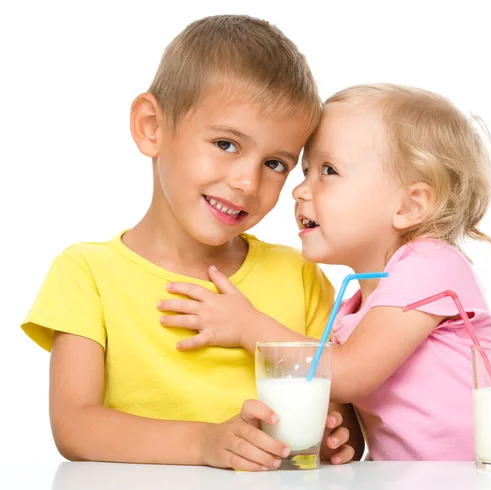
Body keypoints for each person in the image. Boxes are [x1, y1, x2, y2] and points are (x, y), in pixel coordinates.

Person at [21, 15, 361, 471]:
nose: (246, 181)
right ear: (151, 127)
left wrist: (334, 434)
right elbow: (75, 426)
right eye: (226, 143)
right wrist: (206, 444)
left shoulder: (299, 277)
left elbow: (347, 414)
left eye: (276, 163)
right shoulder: (87, 274)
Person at [161, 83, 491, 461]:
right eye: (305, 171)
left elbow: (349, 374)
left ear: (409, 206)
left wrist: (245, 324)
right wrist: (335, 434)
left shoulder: (431, 265)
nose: (300, 191)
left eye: (329, 171)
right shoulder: (354, 305)